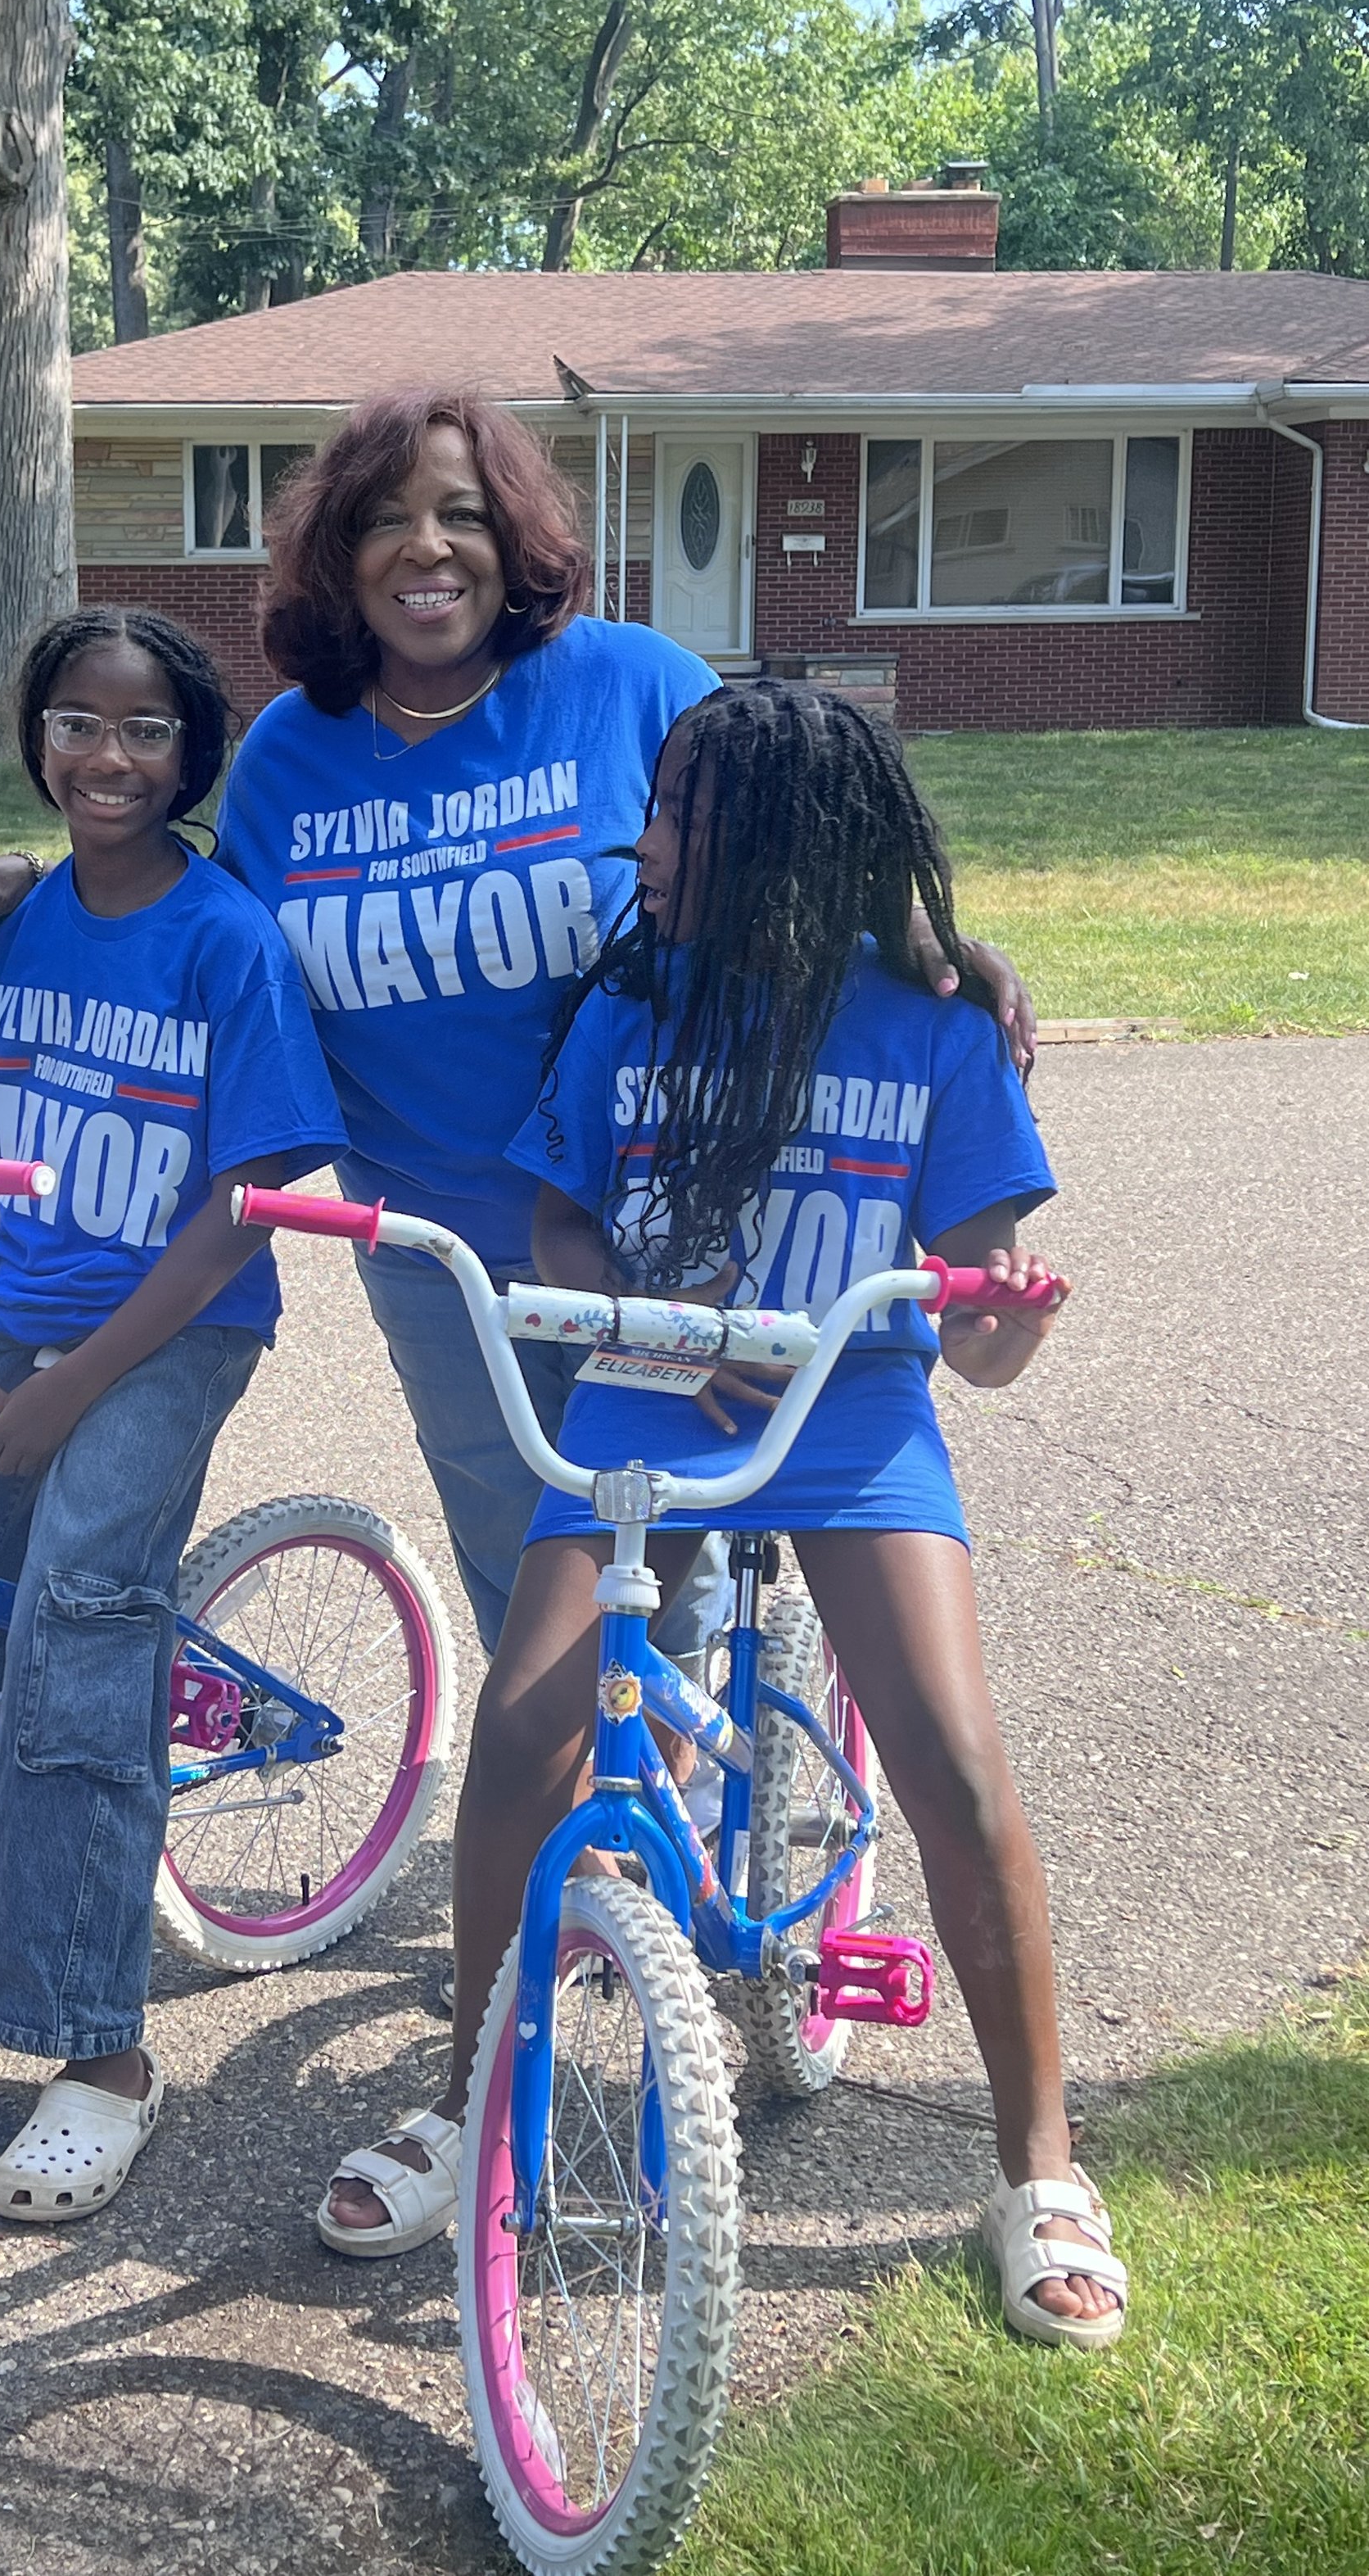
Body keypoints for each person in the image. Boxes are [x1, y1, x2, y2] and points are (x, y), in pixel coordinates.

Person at [0, 391, 1036, 1678]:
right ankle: (605, 1801)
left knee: (662, 1586)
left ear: (513, 535)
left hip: (657, 1225)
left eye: (462, 514)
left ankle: (697, 1786)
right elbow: (199, 926)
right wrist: (43, 885)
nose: (427, 546)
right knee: (527, 1586)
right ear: (338, 554)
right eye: (386, 520)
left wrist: (908, 932)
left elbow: (791, 821)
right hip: (440, 1253)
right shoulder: (291, 755)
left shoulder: (631, 683)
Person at [319, 681, 1127, 2352]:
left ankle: (1039, 2163)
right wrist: (653, 1317)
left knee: (954, 1760)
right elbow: (557, 1218)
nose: (648, 843)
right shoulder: (632, 1002)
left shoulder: (931, 1025)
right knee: (525, 1726)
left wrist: (1014, 1319)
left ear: (785, 845)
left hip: (851, 1409)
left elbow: (978, 1326)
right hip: (646, 1388)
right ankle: (473, 2092)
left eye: (682, 815)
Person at [0, 608, 346, 2227]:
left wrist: (76, 1381)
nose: (109, 755)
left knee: (77, 1621)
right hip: (10, 1324)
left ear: (193, 754)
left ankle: (101, 2049)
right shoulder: (14, 921)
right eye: (77, 722)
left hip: (164, 1336)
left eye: (146, 729)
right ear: (34, 733)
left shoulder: (225, 941)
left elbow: (239, 1212)